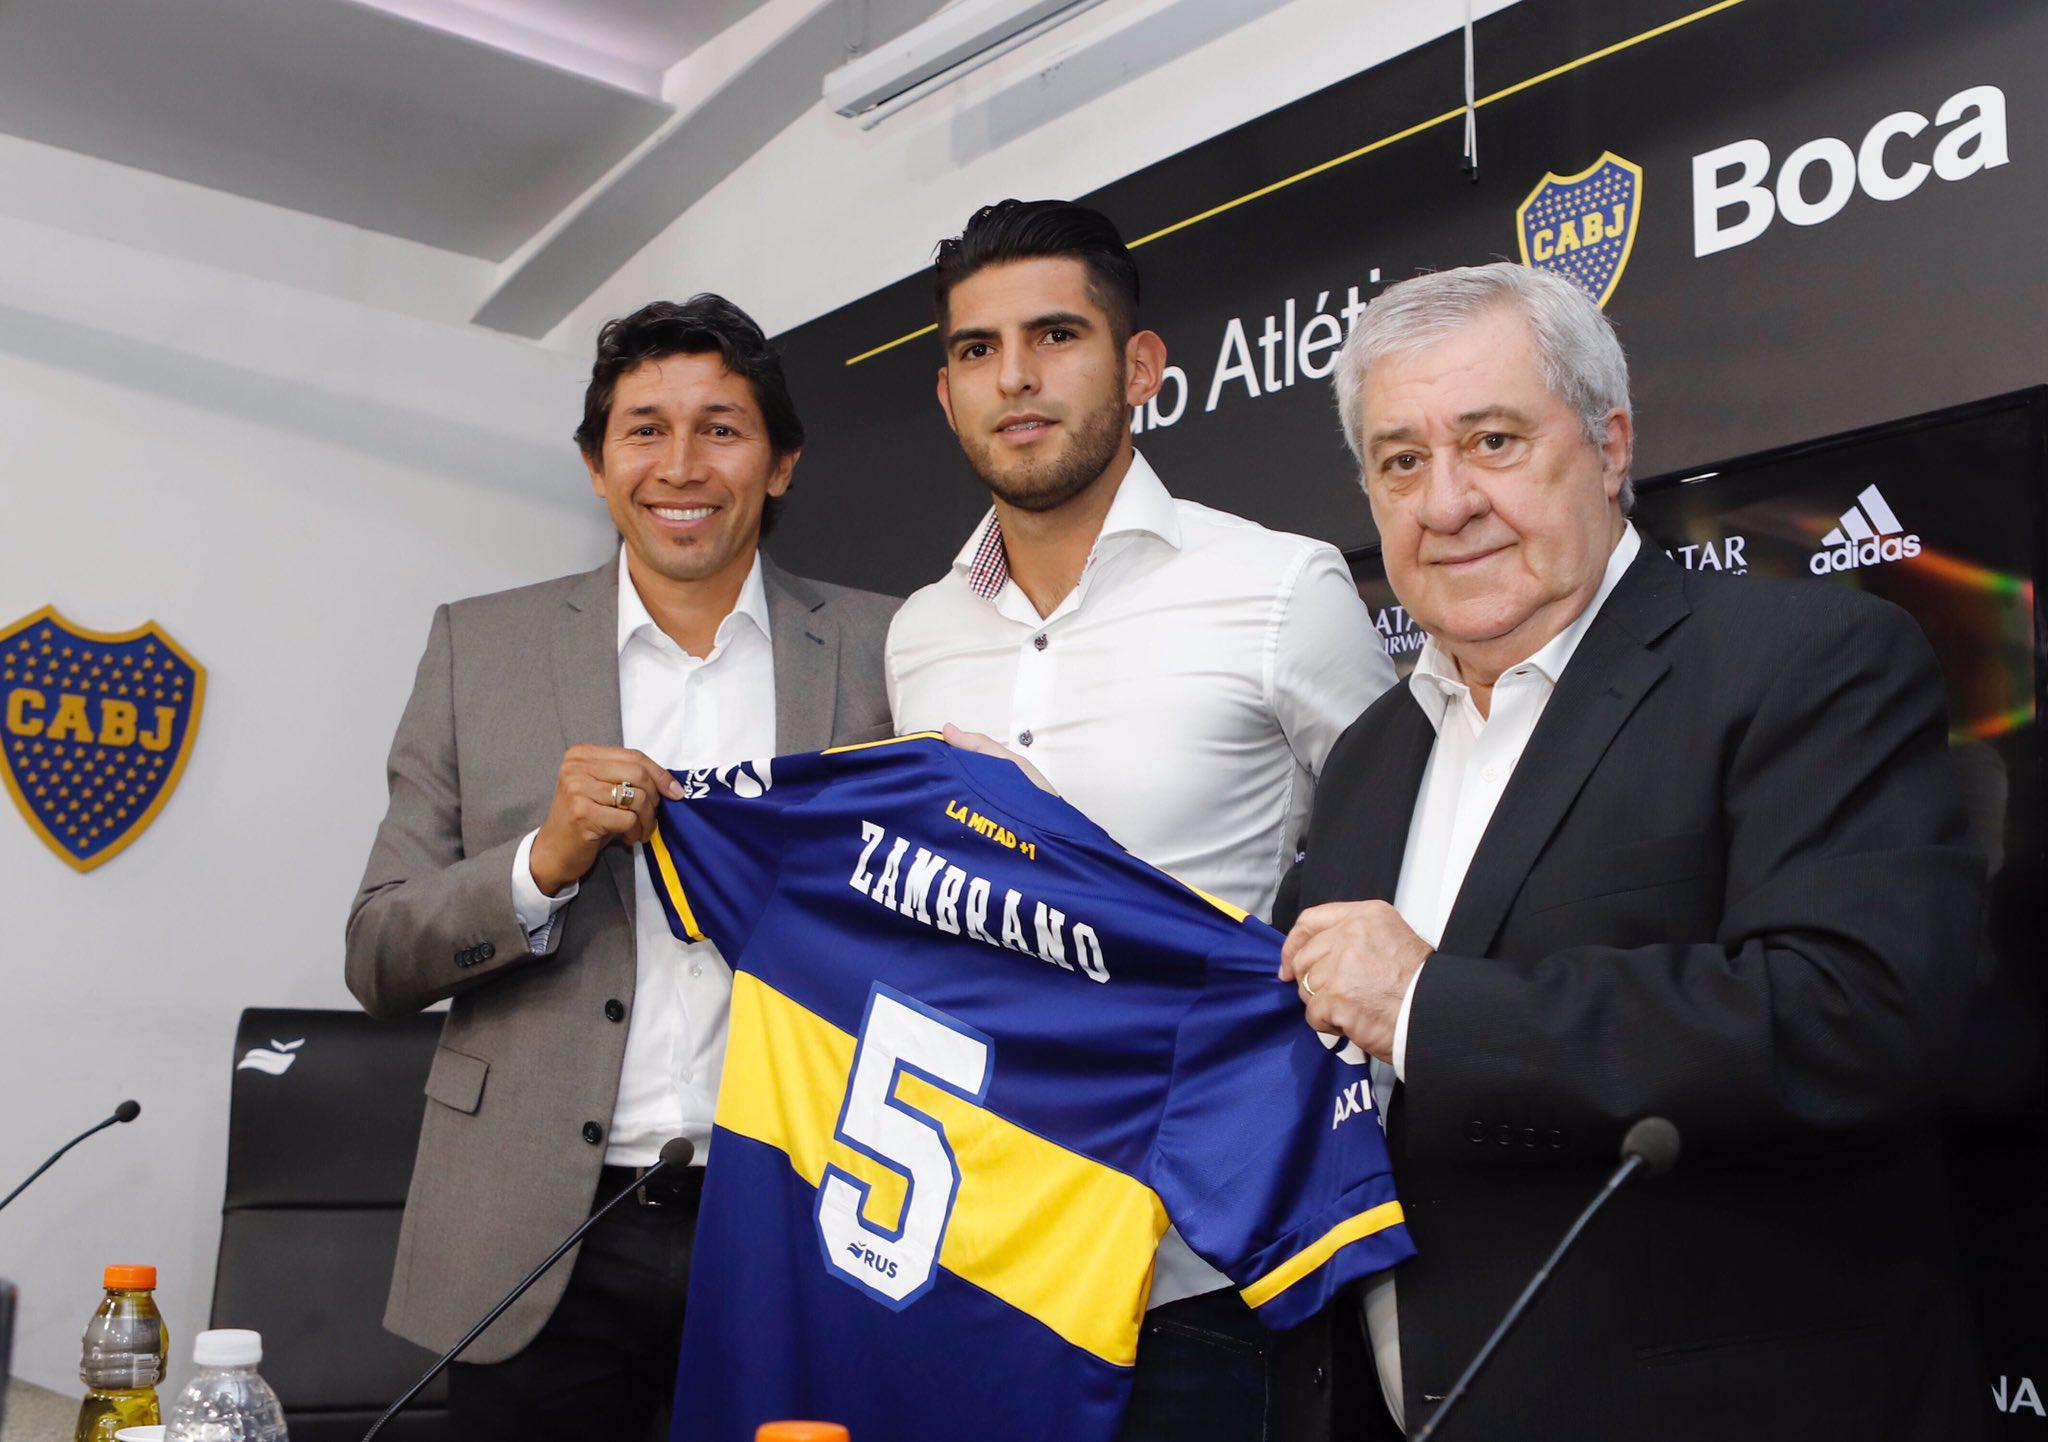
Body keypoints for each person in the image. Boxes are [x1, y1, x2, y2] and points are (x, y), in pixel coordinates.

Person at [1281, 261, 1986, 1441]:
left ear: (1609, 447)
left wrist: (1428, 1006)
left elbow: (1854, 1014)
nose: (1442, 501)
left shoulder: (1808, 660)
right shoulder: (1367, 755)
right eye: (1399, 460)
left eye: (1491, 440)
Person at [887, 198, 1398, 1442]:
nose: (1013, 376)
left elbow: (1406, 855)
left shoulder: (1277, 586)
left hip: (1200, 1261)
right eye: (974, 348)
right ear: (946, 391)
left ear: (1140, 369)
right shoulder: (916, 633)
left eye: (1054, 334)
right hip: (971, 1245)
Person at [344, 295, 897, 1442]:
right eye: (643, 428)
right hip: (535, 1234)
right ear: (597, 466)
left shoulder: (886, 649)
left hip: (799, 1218)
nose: (679, 464)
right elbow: (378, 950)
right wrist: (539, 864)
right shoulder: (477, 648)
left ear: (782, 462)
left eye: (722, 428)